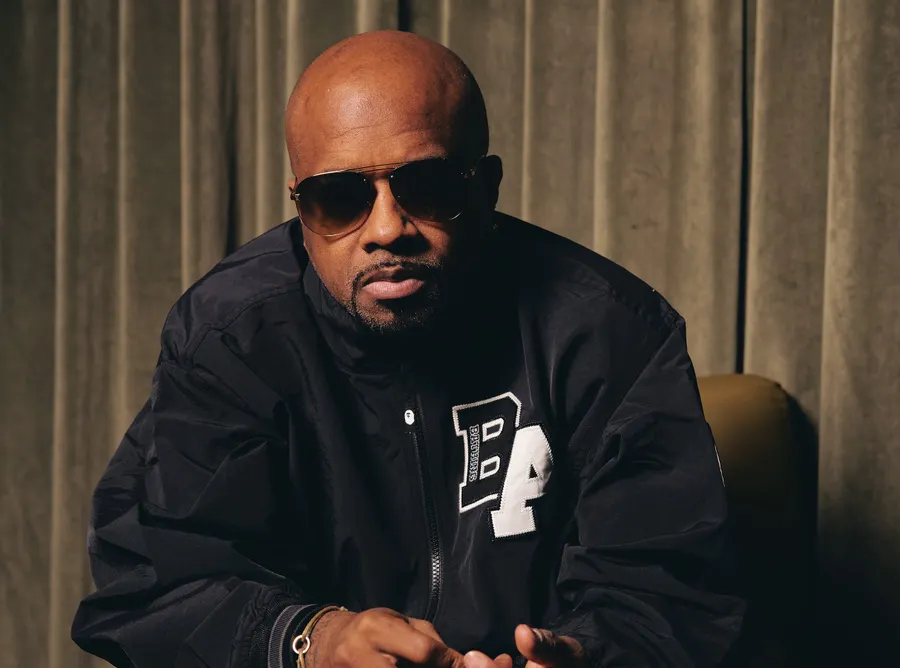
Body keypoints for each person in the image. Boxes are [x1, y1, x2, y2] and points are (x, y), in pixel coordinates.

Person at [72, 31, 744, 668]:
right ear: (301, 209)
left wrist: (588, 656)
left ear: (486, 189)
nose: (387, 228)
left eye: (428, 187)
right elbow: (157, 584)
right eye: (339, 198)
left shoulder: (609, 332)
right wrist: (309, 641)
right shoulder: (229, 341)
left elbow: (669, 589)